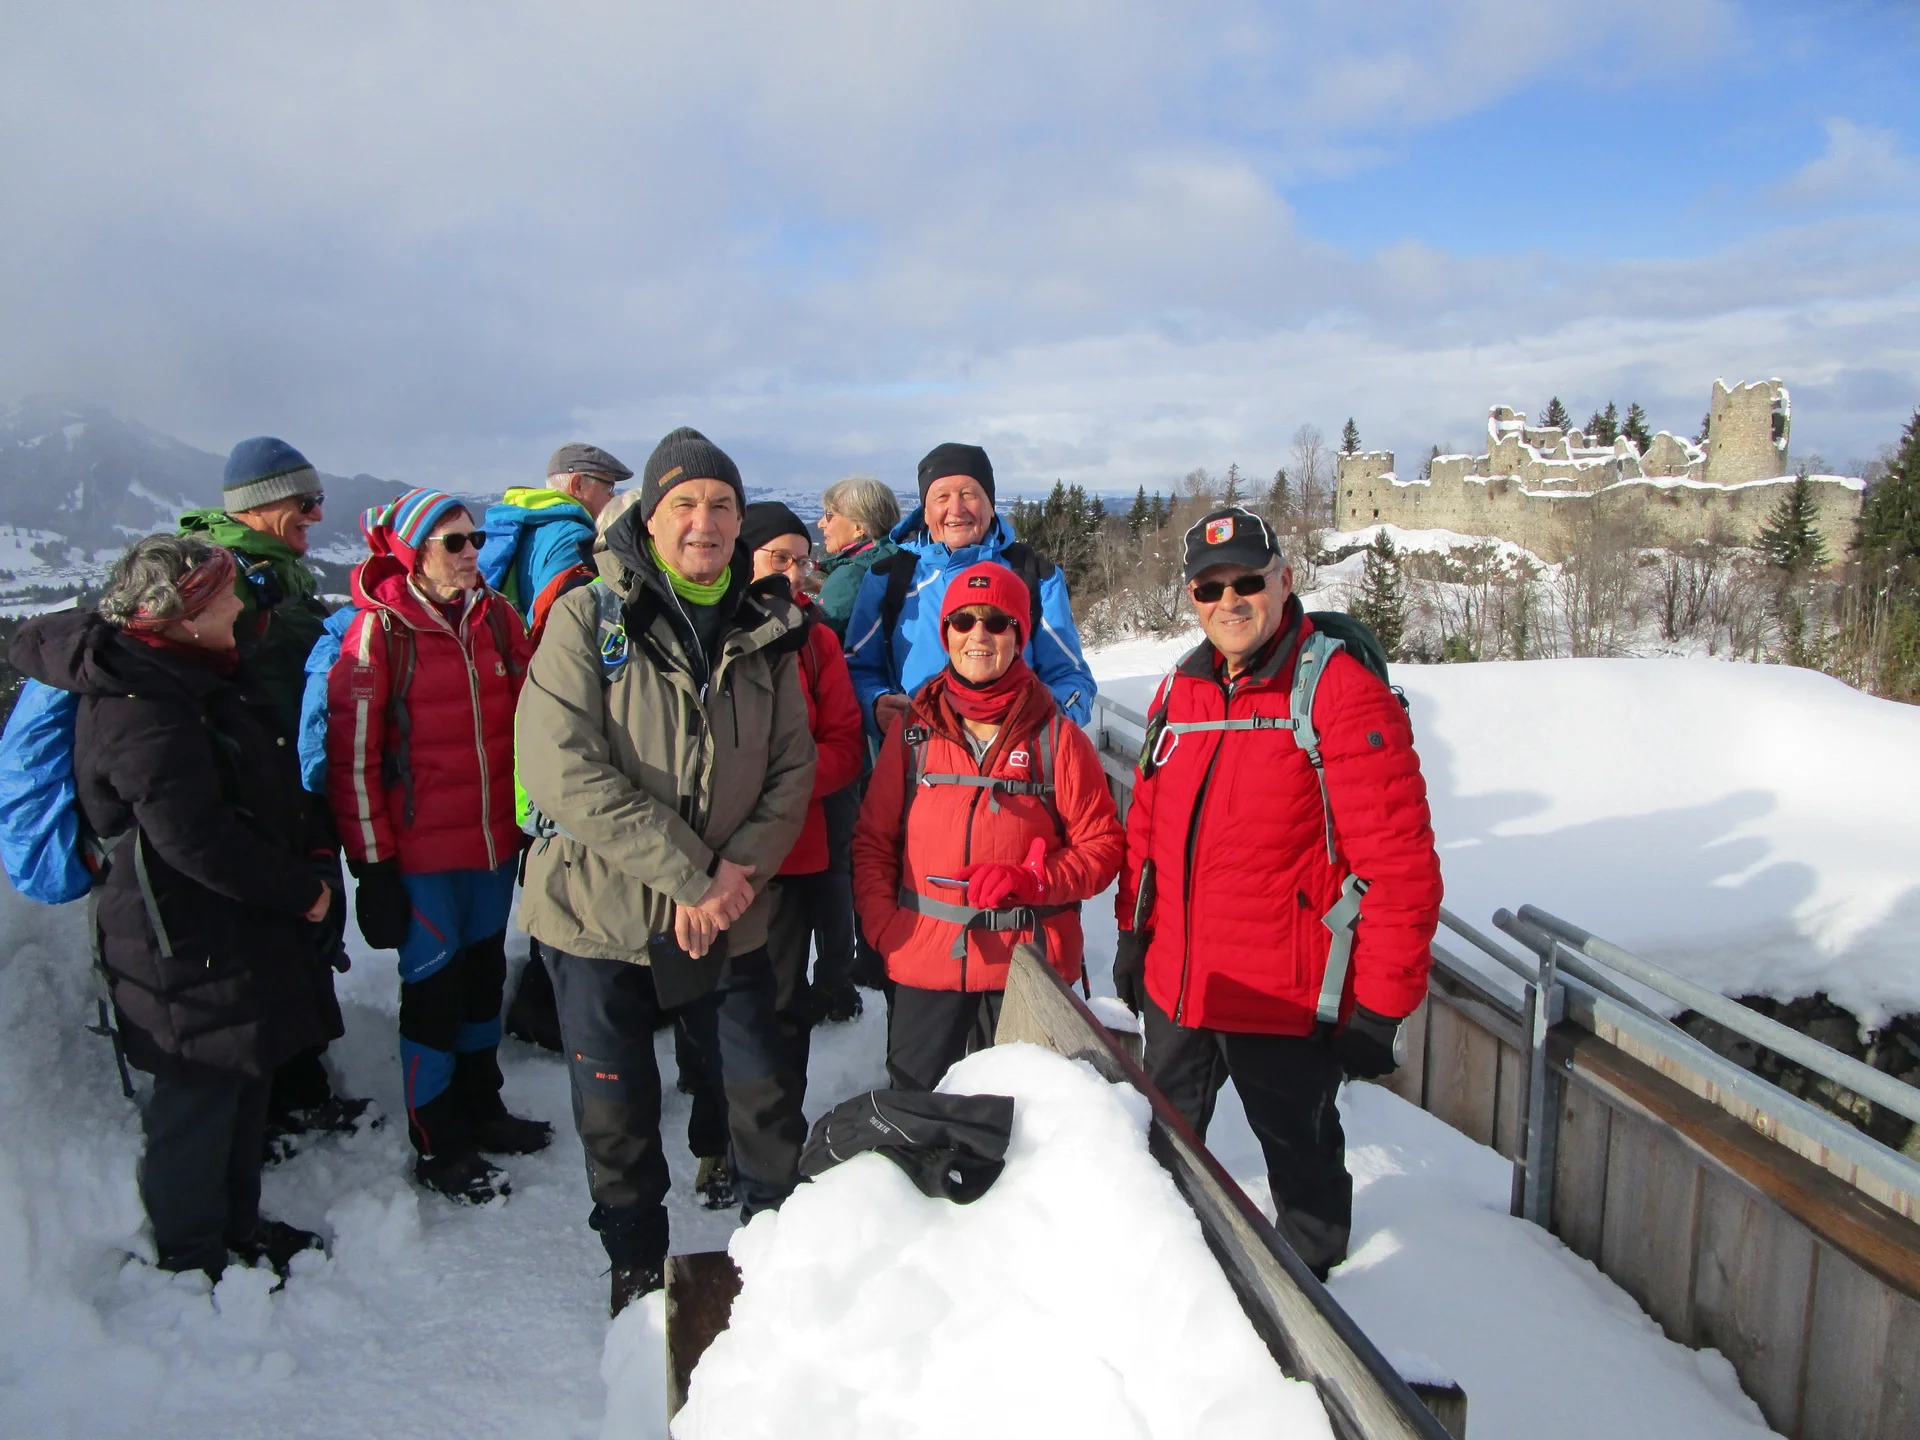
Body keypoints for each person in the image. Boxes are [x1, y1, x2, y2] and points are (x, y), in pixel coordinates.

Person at [516, 426, 816, 1316]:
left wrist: (731, 881)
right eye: (684, 503)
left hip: (732, 911)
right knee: (616, 1107)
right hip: (599, 914)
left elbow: (793, 769)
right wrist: (695, 876)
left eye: (722, 504)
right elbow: (559, 764)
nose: (706, 521)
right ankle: (637, 1262)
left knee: (759, 1093)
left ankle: (775, 1256)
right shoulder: (585, 617)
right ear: (649, 519)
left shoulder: (767, 624)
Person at [1111, 506, 1441, 1280]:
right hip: (1182, 986)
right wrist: (1135, 931)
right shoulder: (1181, 690)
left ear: (1285, 581)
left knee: (1300, 1157)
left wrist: (1381, 1007)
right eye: (1209, 588)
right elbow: (1150, 832)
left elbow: (1400, 869)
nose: (1229, 601)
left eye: (1248, 581)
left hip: (1284, 995)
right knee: (1162, 1152)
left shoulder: (1338, 693)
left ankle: (1321, 1295)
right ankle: (1162, 1283)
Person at [10, 536, 339, 1281]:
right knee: (200, 1100)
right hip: (176, 937)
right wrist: (299, 890)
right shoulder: (141, 702)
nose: (237, 603)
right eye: (221, 593)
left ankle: (237, 1227)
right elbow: (194, 837)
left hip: (218, 928)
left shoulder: (193, 677)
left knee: (242, 1079)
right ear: (181, 615)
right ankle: (192, 1256)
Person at [323, 489, 551, 1205]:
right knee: (434, 990)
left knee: (483, 979)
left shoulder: (495, 617)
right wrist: (373, 867)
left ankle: (483, 1106)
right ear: (412, 553)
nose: (472, 554)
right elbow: (353, 760)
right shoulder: (378, 635)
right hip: (420, 856)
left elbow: (537, 706)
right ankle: (438, 1140)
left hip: (489, 844)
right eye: (454, 543)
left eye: (476, 538)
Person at [852, 563, 1122, 1090]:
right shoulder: (911, 733)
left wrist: (1037, 881)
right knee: (921, 1118)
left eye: (997, 622)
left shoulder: (1058, 739)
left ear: (1019, 634)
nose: (978, 635)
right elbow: (873, 841)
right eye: (963, 621)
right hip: (924, 960)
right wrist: (885, 929)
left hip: (1026, 964)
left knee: (1024, 1128)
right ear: (945, 631)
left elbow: (1103, 847)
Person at [178, 437, 371, 1159]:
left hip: (287, 783)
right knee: (267, 943)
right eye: (305, 502)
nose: (318, 515)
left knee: (302, 939)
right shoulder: (218, 575)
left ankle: (297, 1087)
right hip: (250, 792)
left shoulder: (274, 571)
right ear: (258, 506)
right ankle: (267, 1109)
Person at [479, 442, 634, 1054]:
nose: (604, 501)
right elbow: (569, 635)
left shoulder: (517, 525)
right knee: (567, 854)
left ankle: (539, 1004)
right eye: (602, 487)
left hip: (518, 709)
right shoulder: (565, 539)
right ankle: (547, 1013)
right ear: (576, 484)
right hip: (551, 710)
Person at [844, 442, 1097, 745]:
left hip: (1012, 769)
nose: (956, 509)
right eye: (942, 497)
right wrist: (875, 705)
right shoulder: (890, 579)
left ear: (990, 505)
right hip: (917, 763)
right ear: (925, 511)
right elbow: (856, 671)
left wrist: (1045, 721)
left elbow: (1073, 678)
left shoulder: (1034, 578)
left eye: (969, 494)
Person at [740, 502, 865, 1070]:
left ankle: (771, 1130)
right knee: (724, 1000)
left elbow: (844, 742)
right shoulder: (712, 632)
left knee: (781, 997)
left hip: (797, 849)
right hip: (718, 850)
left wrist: (779, 791)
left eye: (801, 560)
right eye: (778, 559)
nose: (792, 573)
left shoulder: (817, 642)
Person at [813, 476, 901, 639]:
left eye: (829, 515)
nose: (820, 523)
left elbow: (814, 634)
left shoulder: (851, 574)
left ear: (859, 527)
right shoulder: (898, 560)